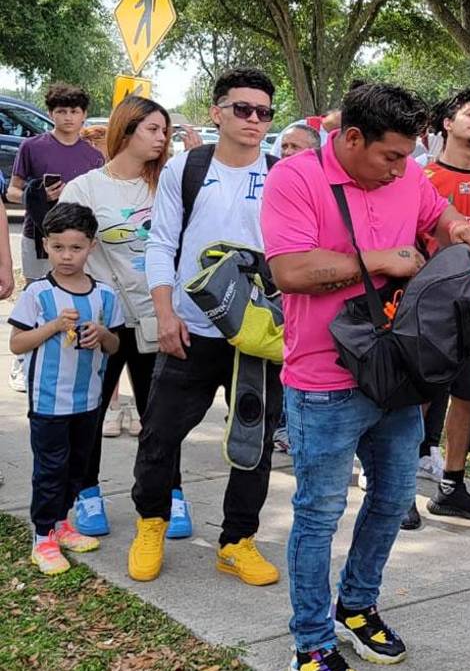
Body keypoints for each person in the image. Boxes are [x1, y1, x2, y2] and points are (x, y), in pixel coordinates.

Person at [263, 82, 470, 671]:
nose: (399, 169)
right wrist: (382, 259)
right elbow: (289, 270)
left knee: (392, 500)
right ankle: (311, 644)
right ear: (352, 138)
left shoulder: (408, 174)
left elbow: (436, 215)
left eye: (406, 156)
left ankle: (358, 605)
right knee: (319, 514)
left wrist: (459, 227)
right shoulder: (295, 177)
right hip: (323, 376)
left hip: (395, 372)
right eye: (390, 156)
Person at [127, 67, 283, 586]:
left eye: (264, 112)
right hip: (191, 330)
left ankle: (237, 541)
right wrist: (165, 314)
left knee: (253, 443)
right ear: (217, 113)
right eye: (243, 109)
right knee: (159, 434)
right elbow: (160, 244)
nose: (254, 120)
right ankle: (151, 522)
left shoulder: (281, 174)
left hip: (257, 337)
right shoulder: (187, 168)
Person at [59, 96, 185, 539]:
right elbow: (64, 252)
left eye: (165, 130)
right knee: (90, 412)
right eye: (153, 129)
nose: (161, 138)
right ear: (126, 130)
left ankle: (171, 494)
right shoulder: (86, 189)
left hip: (158, 317)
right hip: (102, 321)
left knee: (162, 417)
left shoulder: (168, 184)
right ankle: (87, 492)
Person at [408, 90, 470, 530]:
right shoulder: (421, 177)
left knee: (466, 396)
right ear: (447, 123)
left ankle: (451, 487)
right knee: (417, 397)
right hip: (429, 306)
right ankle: (400, 488)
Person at [10, 202, 123, 574]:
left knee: (77, 467)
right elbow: (17, 343)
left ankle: (61, 524)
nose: (67, 255)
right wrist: (54, 326)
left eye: (76, 247)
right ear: (45, 245)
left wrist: (101, 333)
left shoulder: (105, 295)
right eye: (58, 247)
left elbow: (115, 346)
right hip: (48, 402)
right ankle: (42, 536)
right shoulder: (38, 294)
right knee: (50, 470)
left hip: (88, 400)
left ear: (92, 246)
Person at [6, 84, 105, 393]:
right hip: (38, 236)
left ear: (84, 115)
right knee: (35, 294)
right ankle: (22, 361)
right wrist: (37, 193)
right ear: (51, 113)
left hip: (79, 241)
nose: (68, 117)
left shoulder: (94, 156)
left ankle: (68, 359)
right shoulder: (32, 147)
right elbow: (12, 191)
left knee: (74, 297)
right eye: (61, 111)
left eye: (74, 111)